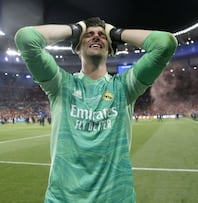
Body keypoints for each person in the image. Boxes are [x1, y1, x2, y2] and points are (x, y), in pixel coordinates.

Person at [14, 17, 177, 203]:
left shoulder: (124, 87)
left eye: (101, 35)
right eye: (88, 35)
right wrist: (76, 29)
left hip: (115, 198)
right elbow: (26, 39)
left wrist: (115, 33)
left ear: (110, 48)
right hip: (64, 199)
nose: (96, 37)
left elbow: (165, 44)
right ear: (76, 47)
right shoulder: (60, 85)